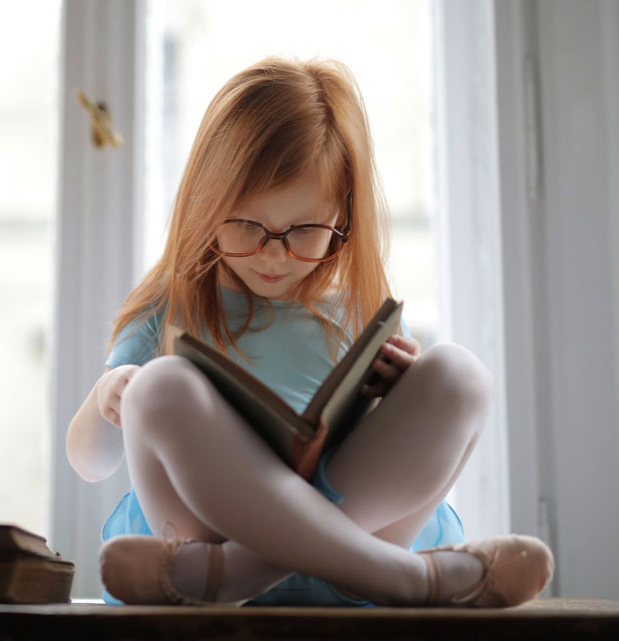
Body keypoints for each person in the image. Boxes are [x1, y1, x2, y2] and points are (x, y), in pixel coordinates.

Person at [65, 56, 553, 607]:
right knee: (157, 388)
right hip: (205, 538)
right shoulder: (171, 307)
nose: (274, 254)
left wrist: (403, 395)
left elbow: (411, 442)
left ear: (342, 218)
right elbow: (89, 463)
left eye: (304, 230)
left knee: (460, 375)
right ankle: (411, 580)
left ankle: (244, 572)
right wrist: (110, 398)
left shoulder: (358, 312)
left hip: (258, 565)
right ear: (205, 206)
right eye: (248, 224)